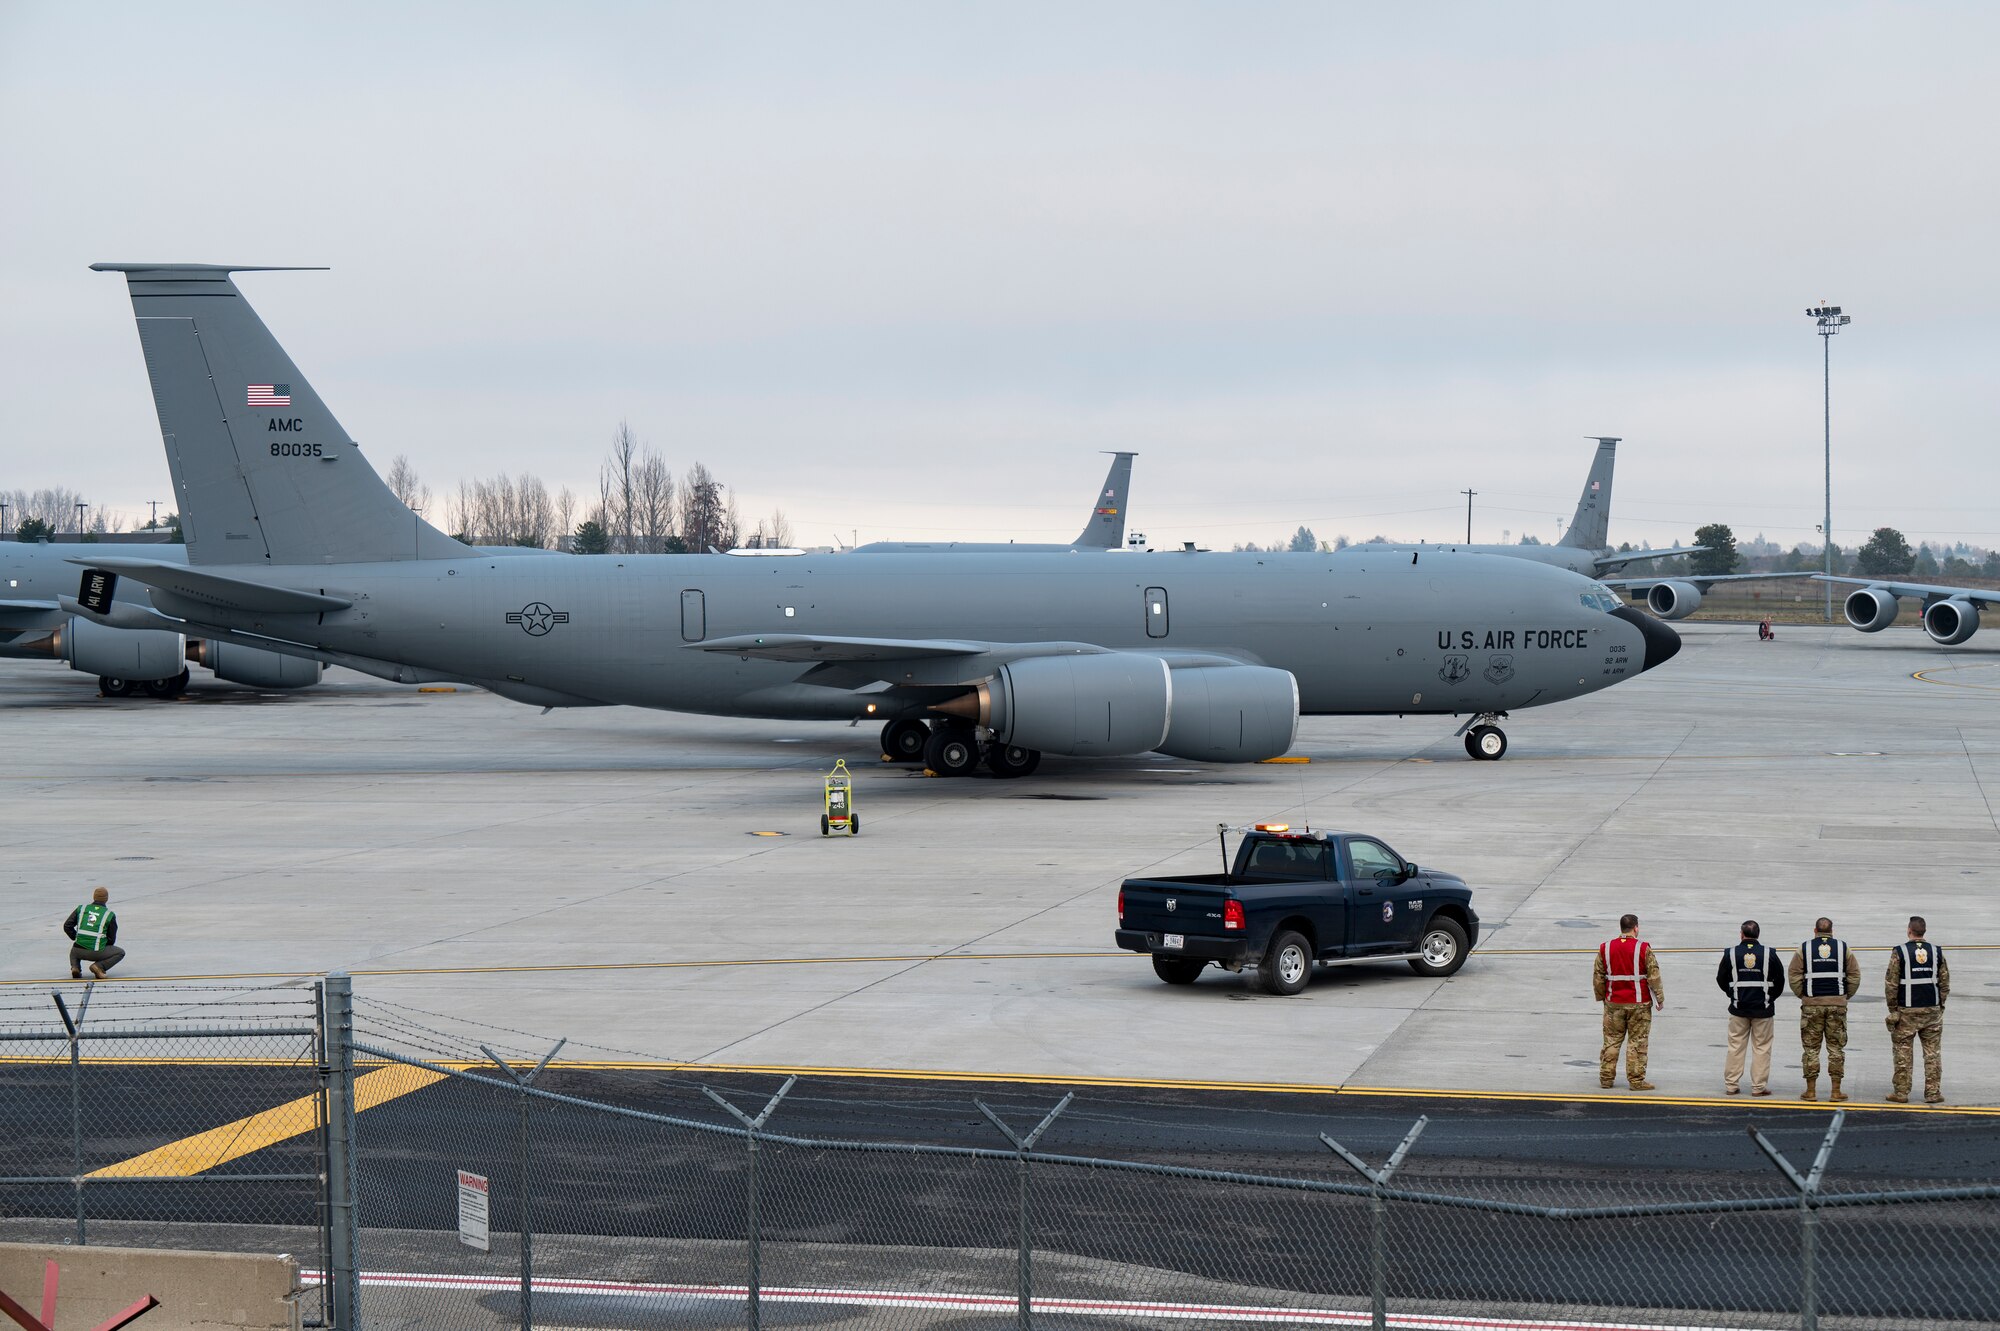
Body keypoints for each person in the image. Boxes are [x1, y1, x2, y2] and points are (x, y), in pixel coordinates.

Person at [1788, 916, 1860, 1101]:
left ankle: (1811, 1091)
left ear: (1815, 931)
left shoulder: (1804, 949)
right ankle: (1836, 1091)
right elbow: (1854, 975)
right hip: (1837, 1005)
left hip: (1812, 1005)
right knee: (1835, 1049)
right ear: (1832, 931)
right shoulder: (1844, 948)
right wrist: (1844, 996)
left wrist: (1803, 996)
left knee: (1811, 1049)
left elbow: (1794, 974)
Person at [1593, 913, 1664, 1090]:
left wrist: (1602, 996)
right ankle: (1636, 1080)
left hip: (1613, 1002)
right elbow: (1653, 975)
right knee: (1637, 1042)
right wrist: (1659, 998)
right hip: (1639, 1003)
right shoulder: (1643, 948)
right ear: (1636, 928)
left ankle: (1606, 1078)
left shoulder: (1605, 948)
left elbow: (1598, 976)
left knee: (1611, 1040)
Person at [1884, 916, 1949, 1104]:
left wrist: (1893, 1009)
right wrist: (1940, 1005)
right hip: (1932, 1011)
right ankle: (1933, 1093)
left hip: (1907, 1012)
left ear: (1909, 930)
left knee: (1903, 1052)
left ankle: (1902, 1093)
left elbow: (1891, 983)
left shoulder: (1900, 952)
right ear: (1924, 931)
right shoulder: (1936, 952)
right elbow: (1944, 982)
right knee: (1932, 1054)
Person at [1715, 919, 1784, 1096]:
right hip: (1763, 1008)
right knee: (1762, 1048)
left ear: (1741, 934)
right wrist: (1770, 997)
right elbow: (1780, 980)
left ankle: (1731, 1085)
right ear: (1758, 935)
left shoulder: (1730, 953)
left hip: (1738, 1007)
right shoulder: (1769, 953)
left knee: (1735, 1046)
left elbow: (1721, 979)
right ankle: (1758, 1087)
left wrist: (1732, 994)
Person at [63, 887, 125, 979]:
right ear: (106, 899)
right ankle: (99, 966)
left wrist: (75, 937)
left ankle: (75, 967)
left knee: (74, 949)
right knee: (120, 952)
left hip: (78, 951)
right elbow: (111, 939)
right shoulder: (109, 915)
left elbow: (67, 926)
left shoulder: (81, 909)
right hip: (96, 951)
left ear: (93, 897)